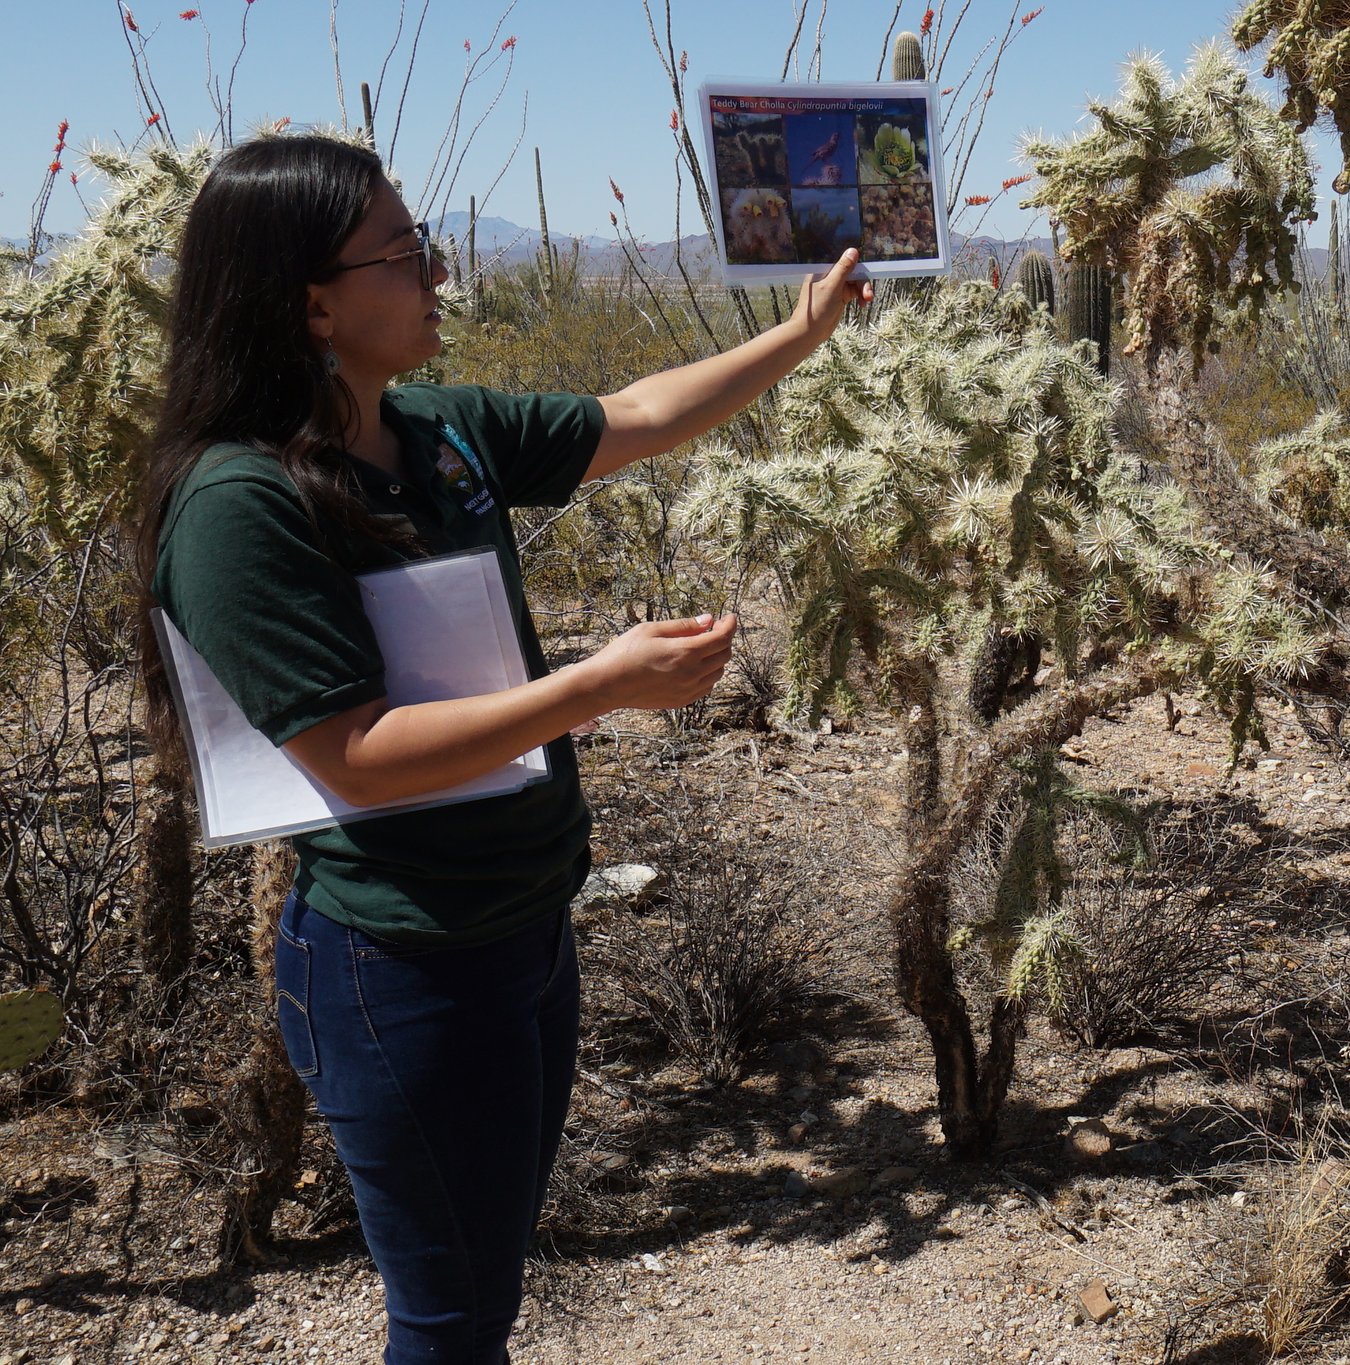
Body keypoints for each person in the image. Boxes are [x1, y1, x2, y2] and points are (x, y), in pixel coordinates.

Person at [133, 133, 871, 1364]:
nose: (437, 273)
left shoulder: (433, 431)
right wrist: (594, 686)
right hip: (404, 966)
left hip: (522, 927)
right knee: (452, 1323)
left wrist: (796, 339)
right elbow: (356, 754)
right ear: (312, 303)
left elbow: (634, 416)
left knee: (483, 1292)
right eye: (406, 251)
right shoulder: (237, 505)